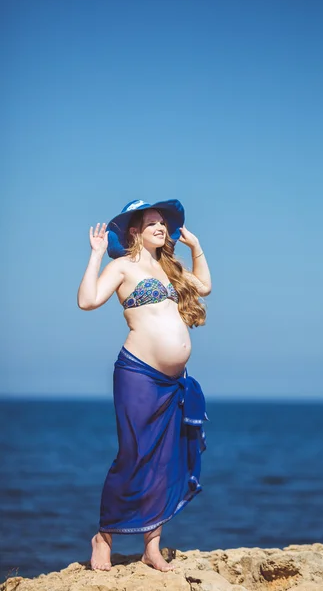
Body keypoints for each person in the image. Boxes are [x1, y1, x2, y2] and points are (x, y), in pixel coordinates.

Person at [77, 199, 211, 573]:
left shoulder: (170, 267)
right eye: (153, 222)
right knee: (133, 455)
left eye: (164, 223)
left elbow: (206, 286)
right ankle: (103, 537)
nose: (161, 228)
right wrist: (96, 255)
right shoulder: (121, 266)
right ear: (134, 230)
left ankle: (152, 546)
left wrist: (195, 247)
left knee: (164, 459)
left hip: (172, 383)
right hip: (137, 374)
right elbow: (87, 301)